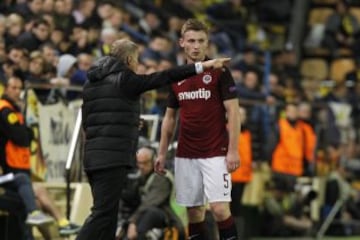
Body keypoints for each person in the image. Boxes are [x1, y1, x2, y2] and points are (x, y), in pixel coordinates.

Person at [77, 38, 230, 240]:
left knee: (108, 214)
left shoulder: (92, 83)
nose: (138, 64)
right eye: (138, 59)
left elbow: (90, 123)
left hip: (92, 158)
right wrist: (202, 67)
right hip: (112, 158)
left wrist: (130, 123)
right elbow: (164, 76)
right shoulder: (125, 78)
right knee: (103, 213)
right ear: (130, 59)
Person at [155, 19, 240, 240]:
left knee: (220, 209)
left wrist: (233, 150)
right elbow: (169, 118)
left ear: (207, 43)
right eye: (191, 41)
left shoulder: (220, 72)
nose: (196, 46)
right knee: (194, 212)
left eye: (201, 41)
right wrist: (162, 153)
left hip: (215, 152)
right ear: (182, 42)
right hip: (186, 153)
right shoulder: (176, 76)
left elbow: (233, 112)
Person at [0, 75, 80, 237]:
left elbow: (28, 136)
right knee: (29, 192)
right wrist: (25, 132)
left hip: (11, 176)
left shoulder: (14, 110)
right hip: (8, 174)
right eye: (13, 88)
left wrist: (25, 132)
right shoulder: (5, 109)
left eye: (19, 88)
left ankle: (61, 222)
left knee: (38, 194)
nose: (17, 91)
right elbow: (23, 138)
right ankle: (45, 217)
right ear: (6, 89)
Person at [118, 146, 185, 240]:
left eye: (145, 163)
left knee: (149, 213)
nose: (141, 166)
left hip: (169, 219)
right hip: (146, 216)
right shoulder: (140, 177)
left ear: (153, 161)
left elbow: (150, 203)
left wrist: (133, 222)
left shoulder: (162, 177)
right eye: (139, 163)